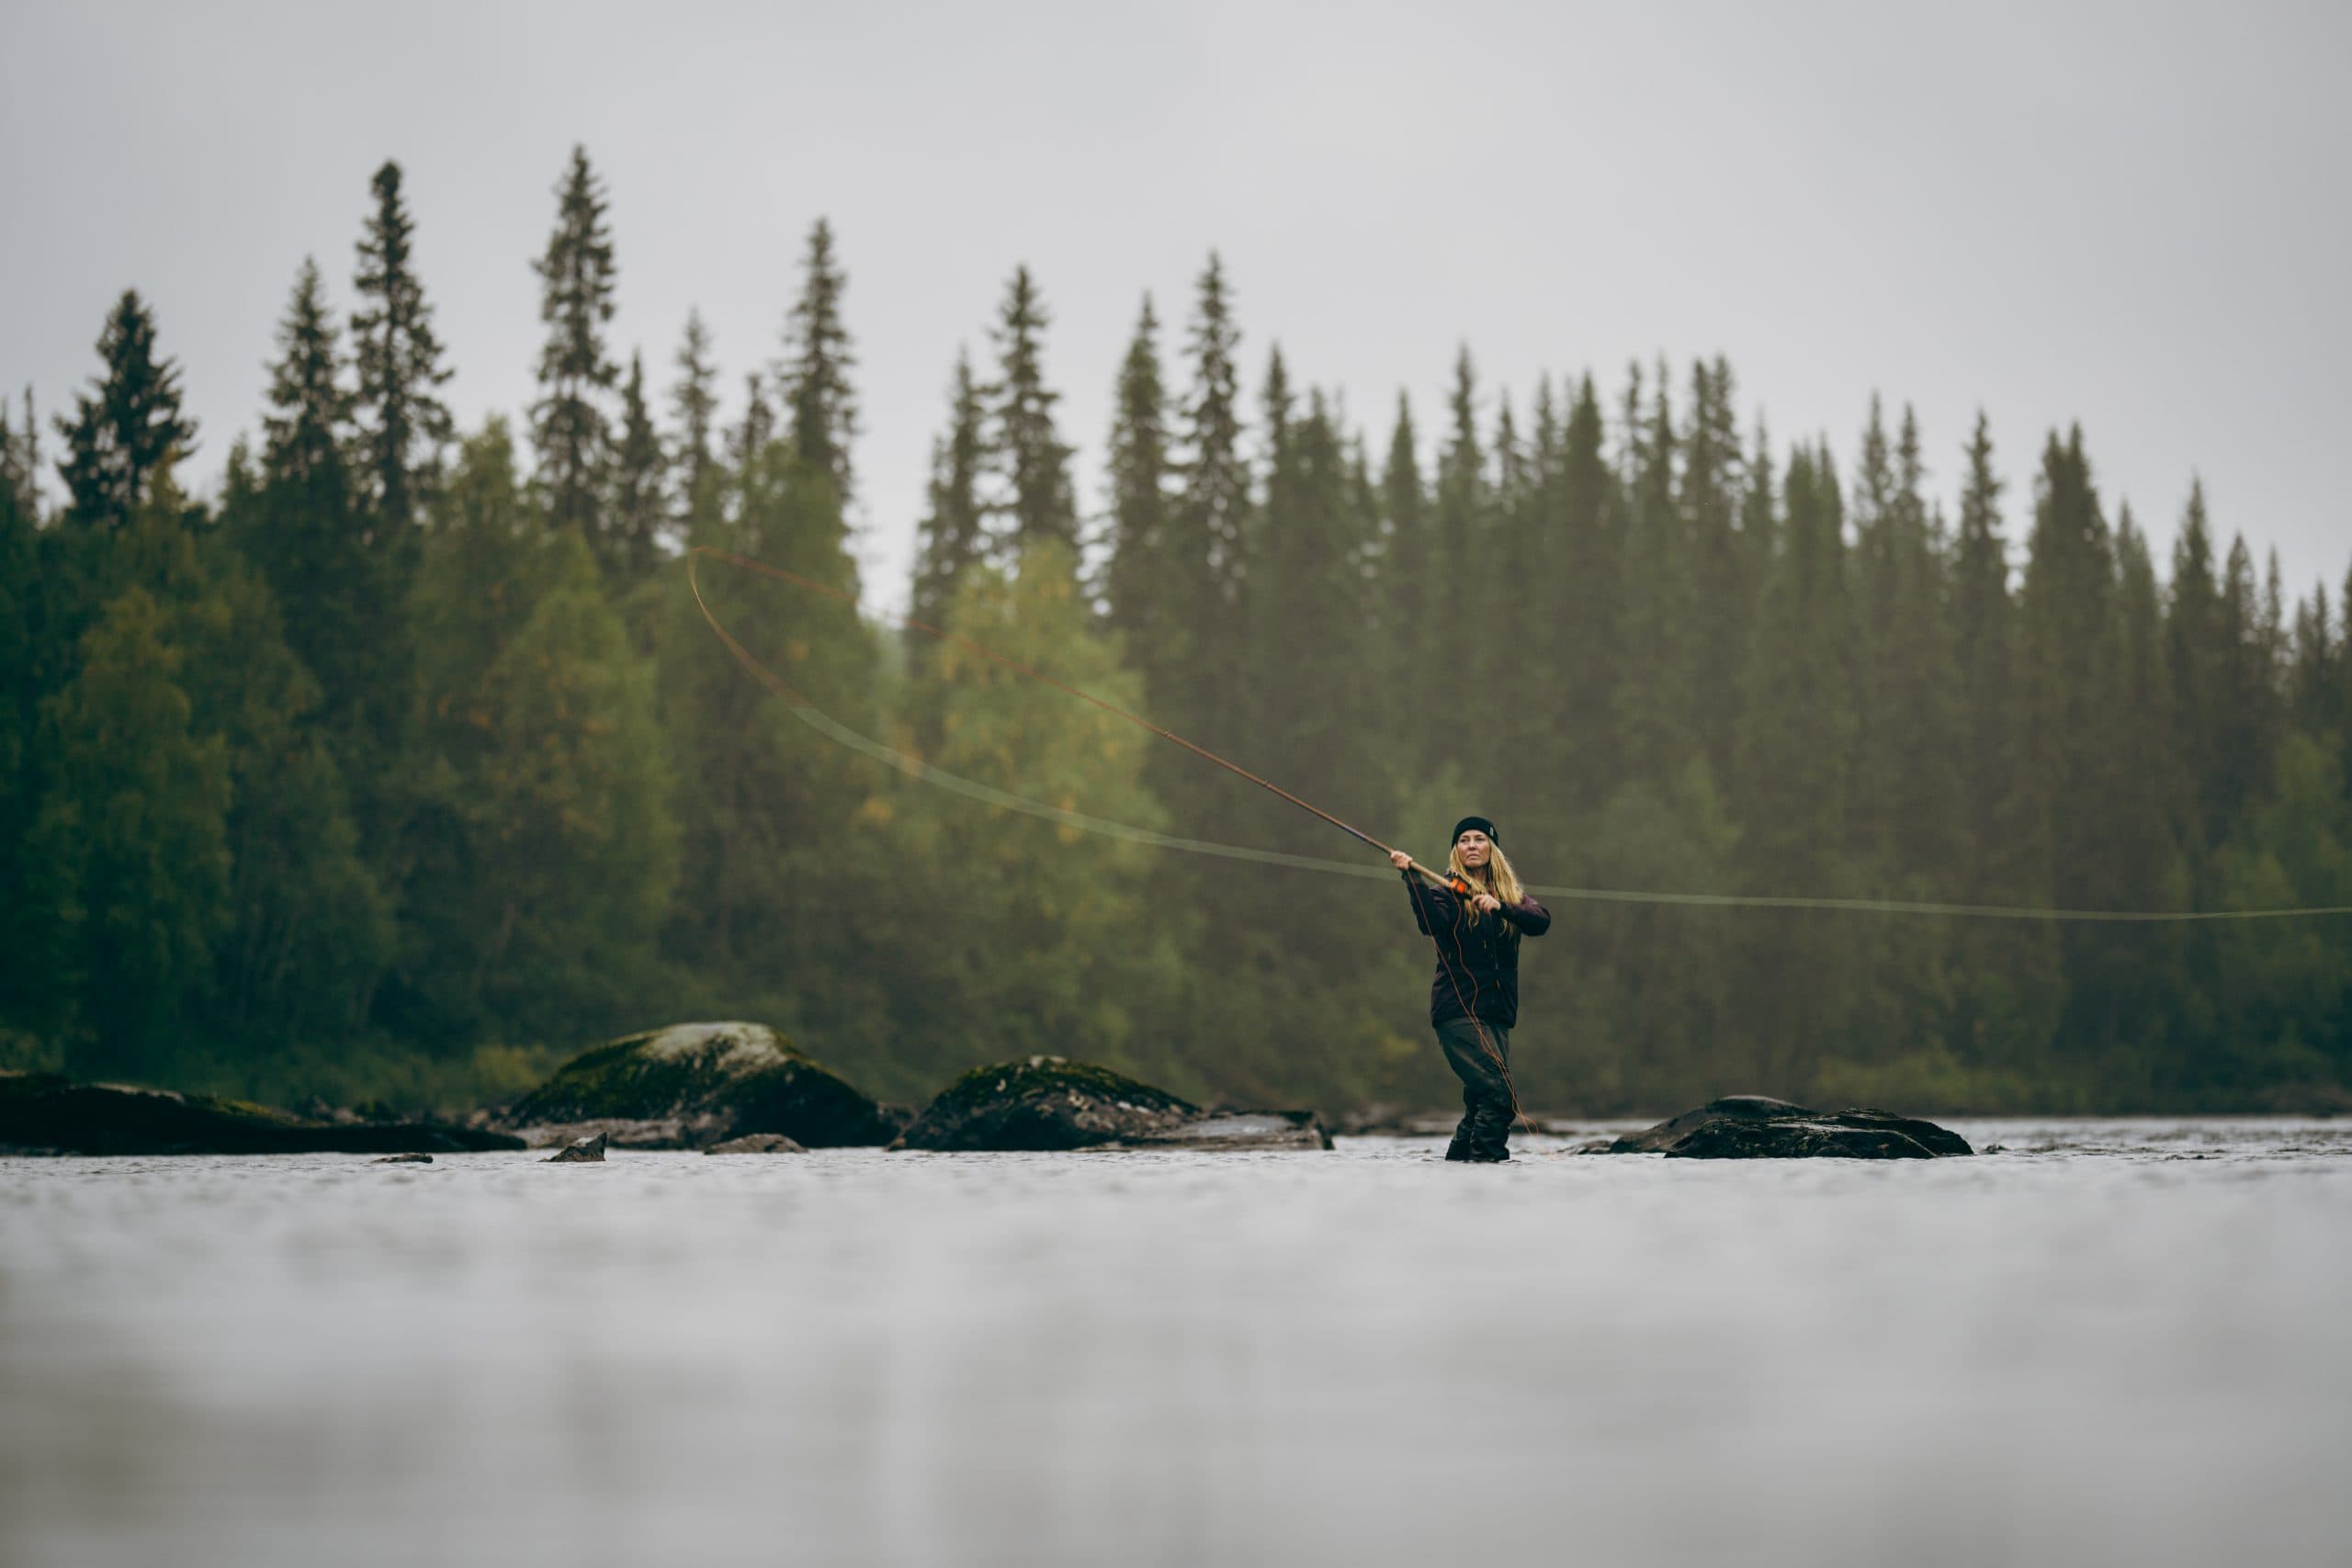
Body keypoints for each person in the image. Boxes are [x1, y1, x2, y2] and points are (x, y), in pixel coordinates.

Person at [1390, 817, 1552, 1162]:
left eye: (1479, 839)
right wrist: (1412, 878)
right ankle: (1489, 1165)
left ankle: (1461, 1170)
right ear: (1456, 851)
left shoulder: (1512, 897)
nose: (1472, 845)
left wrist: (1500, 907)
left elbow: (1541, 921)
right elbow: (1430, 923)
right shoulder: (1445, 893)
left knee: (1480, 1101)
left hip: (1497, 1014)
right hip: (1458, 1011)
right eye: (1464, 840)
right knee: (1499, 1095)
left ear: (1492, 849)